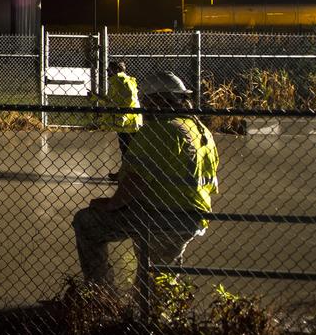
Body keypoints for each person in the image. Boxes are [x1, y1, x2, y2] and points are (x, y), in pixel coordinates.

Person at [72, 71, 219, 290]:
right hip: (191, 216)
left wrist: (110, 204)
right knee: (158, 276)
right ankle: (156, 311)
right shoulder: (199, 129)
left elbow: (135, 181)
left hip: (158, 214)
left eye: (147, 100)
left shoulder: (159, 131)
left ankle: (101, 292)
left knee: (86, 223)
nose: (144, 105)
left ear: (157, 100)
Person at [95, 59, 143, 180]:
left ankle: (129, 175)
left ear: (117, 69)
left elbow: (129, 101)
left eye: (109, 69)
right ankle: (125, 173)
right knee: (125, 149)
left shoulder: (122, 81)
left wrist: (123, 115)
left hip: (129, 122)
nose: (107, 71)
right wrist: (97, 98)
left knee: (128, 150)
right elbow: (112, 101)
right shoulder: (116, 82)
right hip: (126, 122)